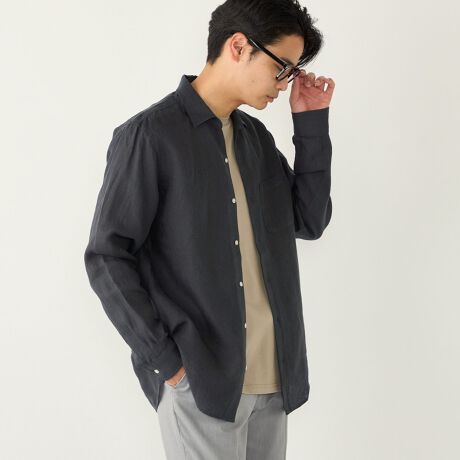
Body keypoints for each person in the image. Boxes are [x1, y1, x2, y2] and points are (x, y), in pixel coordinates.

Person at [84, 0, 335, 458]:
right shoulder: (150, 136)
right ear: (238, 46)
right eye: (281, 67)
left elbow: (308, 220)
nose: (285, 84)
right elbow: (107, 256)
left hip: (273, 380)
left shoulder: (256, 139)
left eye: (292, 71)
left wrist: (310, 122)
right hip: (202, 383)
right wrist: (168, 363)